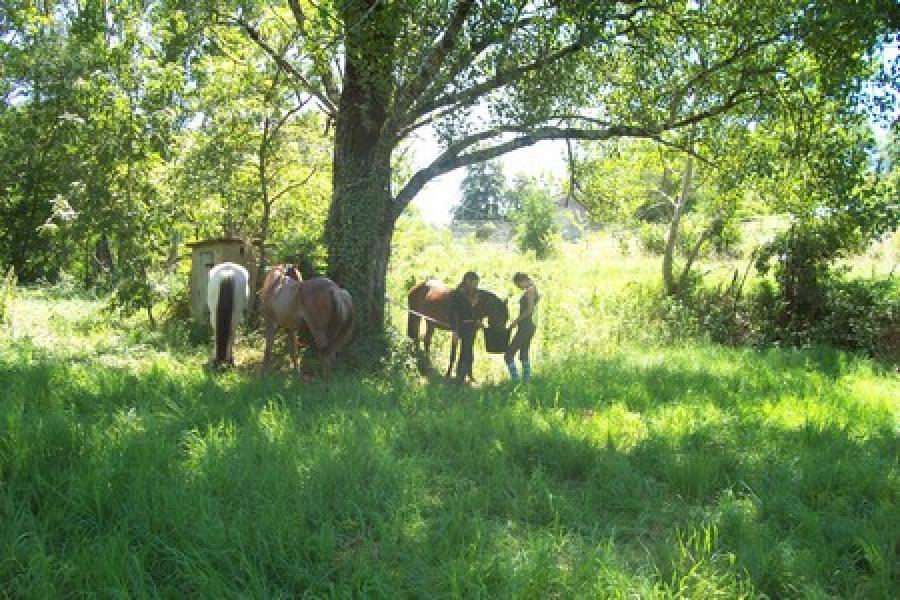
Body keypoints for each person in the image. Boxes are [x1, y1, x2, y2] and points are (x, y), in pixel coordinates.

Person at [505, 272, 539, 382]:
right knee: (524, 353)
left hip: (526, 326)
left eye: (518, 285)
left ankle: (515, 380)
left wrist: (516, 321)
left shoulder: (530, 291)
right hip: (530, 326)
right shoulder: (533, 289)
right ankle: (526, 380)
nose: (518, 287)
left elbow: (530, 310)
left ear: (523, 280)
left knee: (509, 354)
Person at [449, 271, 480, 384]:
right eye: (474, 283)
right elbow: (454, 313)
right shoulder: (458, 293)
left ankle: (468, 374)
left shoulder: (474, 293)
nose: (476, 285)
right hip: (462, 326)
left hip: (472, 326)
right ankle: (460, 377)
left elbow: (475, 310)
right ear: (467, 281)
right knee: (465, 351)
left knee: (469, 351)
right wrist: (455, 331)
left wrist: (477, 320)